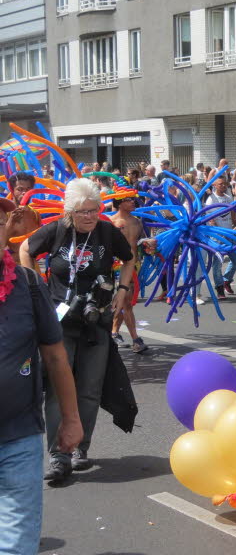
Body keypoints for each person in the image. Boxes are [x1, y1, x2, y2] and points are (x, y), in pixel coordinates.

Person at [20, 178, 135, 481]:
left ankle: (80, 447)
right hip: (59, 322)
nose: (89, 216)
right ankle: (59, 454)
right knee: (59, 387)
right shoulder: (58, 230)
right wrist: (37, 289)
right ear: (70, 211)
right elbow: (25, 250)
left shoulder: (107, 232)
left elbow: (128, 258)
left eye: (94, 210)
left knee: (89, 388)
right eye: (83, 211)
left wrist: (122, 289)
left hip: (95, 319)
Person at [0, 196, 82, 555]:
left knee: (17, 545)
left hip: (19, 437)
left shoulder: (28, 285)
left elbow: (55, 357)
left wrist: (71, 420)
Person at [109, 197, 149, 353]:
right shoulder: (110, 222)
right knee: (126, 301)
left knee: (126, 301)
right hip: (116, 265)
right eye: (128, 200)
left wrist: (150, 245)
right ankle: (136, 339)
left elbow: (144, 242)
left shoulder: (138, 222)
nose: (133, 202)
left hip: (134, 265)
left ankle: (113, 332)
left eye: (133, 200)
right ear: (119, 203)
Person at [205, 178, 236, 298]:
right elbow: (211, 220)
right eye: (220, 184)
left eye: (225, 184)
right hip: (217, 236)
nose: (223, 186)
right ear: (214, 185)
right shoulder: (211, 200)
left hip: (230, 234)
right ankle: (219, 288)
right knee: (218, 263)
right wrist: (218, 234)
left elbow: (233, 216)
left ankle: (226, 280)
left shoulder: (229, 197)